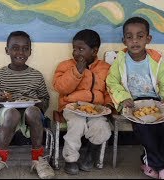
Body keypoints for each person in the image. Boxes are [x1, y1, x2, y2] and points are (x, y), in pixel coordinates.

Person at [106, 16, 164, 179]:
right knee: (145, 128)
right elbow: (112, 82)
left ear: (148, 39)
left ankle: (150, 161)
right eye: (129, 37)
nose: (135, 41)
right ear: (123, 40)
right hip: (133, 104)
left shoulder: (156, 60)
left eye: (140, 36)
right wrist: (124, 98)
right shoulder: (120, 61)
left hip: (155, 102)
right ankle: (162, 166)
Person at [0, 31, 55, 179]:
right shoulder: (0, 74)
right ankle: (0, 158)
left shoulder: (36, 75)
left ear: (30, 51)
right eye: (15, 48)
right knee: (12, 113)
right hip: (7, 112)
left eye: (25, 48)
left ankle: (38, 159)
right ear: (7, 50)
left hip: (31, 112)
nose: (20, 52)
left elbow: (45, 98)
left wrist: (40, 104)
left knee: (33, 111)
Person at [52, 29, 113, 175]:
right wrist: (76, 72)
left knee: (102, 128)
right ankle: (70, 159)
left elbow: (110, 90)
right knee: (77, 125)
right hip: (71, 107)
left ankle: (90, 154)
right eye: (74, 49)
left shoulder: (105, 68)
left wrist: (109, 105)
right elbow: (60, 87)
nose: (76, 53)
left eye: (81, 49)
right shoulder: (65, 66)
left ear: (94, 51)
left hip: (95, 108)